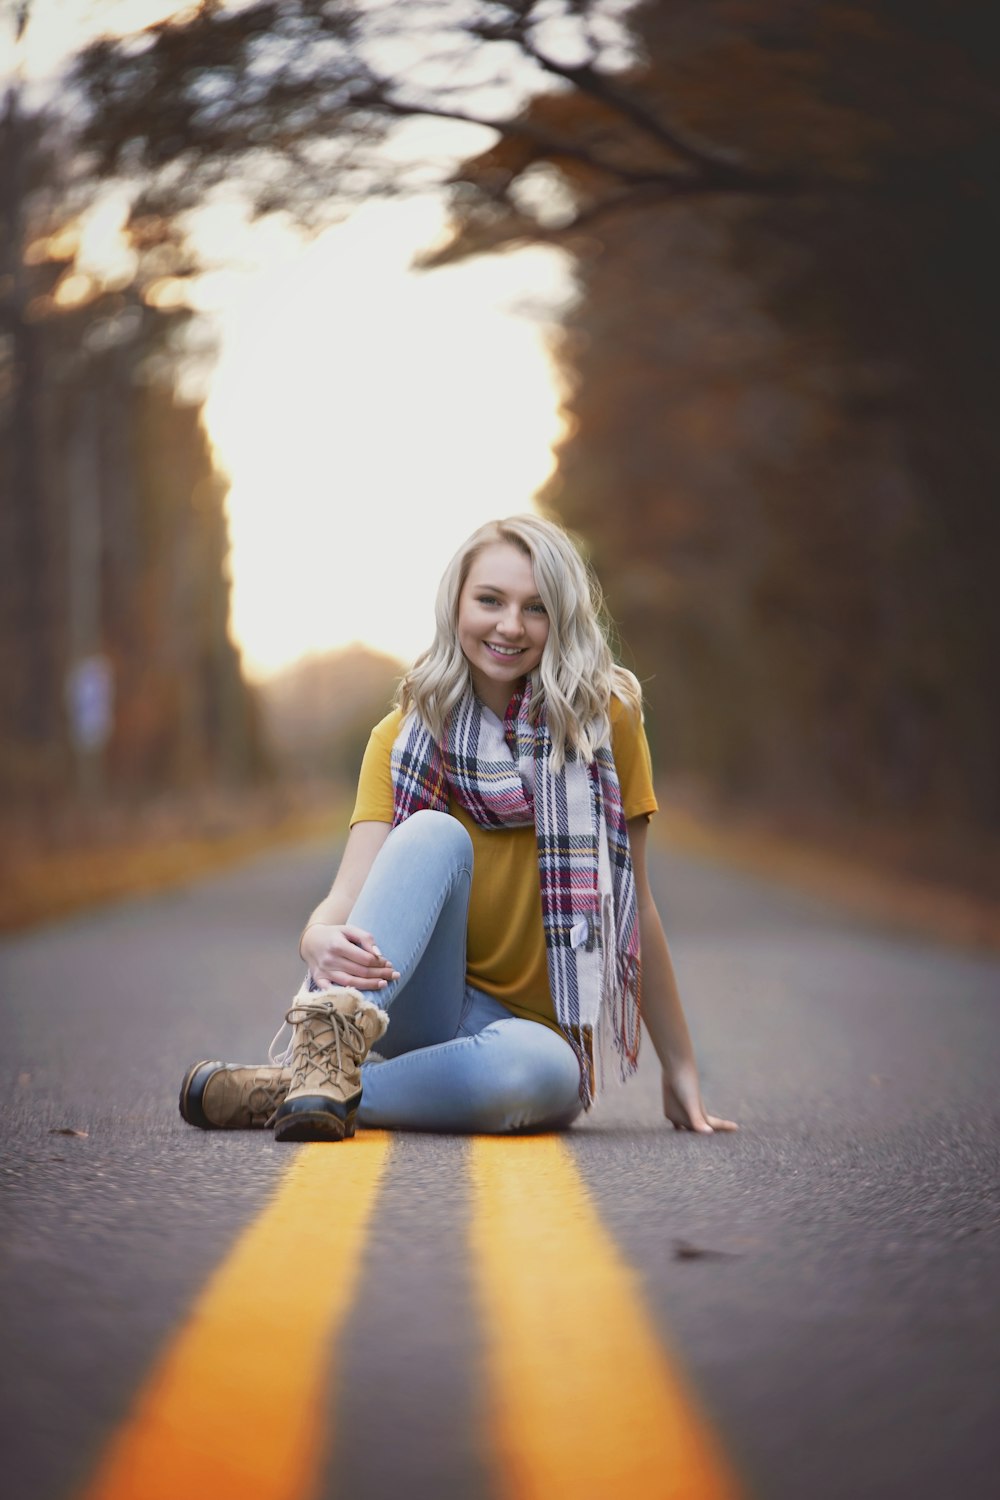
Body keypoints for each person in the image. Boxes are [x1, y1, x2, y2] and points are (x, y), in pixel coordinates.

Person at [179, 514, 736, 1142]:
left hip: (536, 1036)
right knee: (430, 833)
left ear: (563, 619)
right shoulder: (401, 738)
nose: (510, 626)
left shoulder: (604, 723)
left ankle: (302, 1089)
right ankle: (328, 1051)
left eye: (536, 607)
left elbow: (638, 906)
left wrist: (680, 1065)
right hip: (422, 1002)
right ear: (457, 604)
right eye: (490, 600)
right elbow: (351, 891)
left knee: (537, 1079)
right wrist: (315, 935)